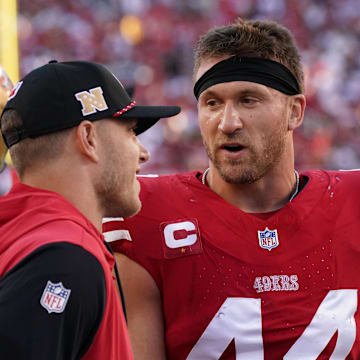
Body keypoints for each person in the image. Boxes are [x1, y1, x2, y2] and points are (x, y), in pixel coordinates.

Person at [104, 17, 360, 359]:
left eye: (248, 100)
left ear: (295, 111)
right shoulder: (147, 213)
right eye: (212, 102)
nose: (227, 123)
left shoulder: (351, 201)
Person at [0, 60, 180, 359]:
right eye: (131, 132)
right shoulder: (65, 259)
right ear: (89, 139)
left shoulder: (25, 235)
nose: (144, 152)